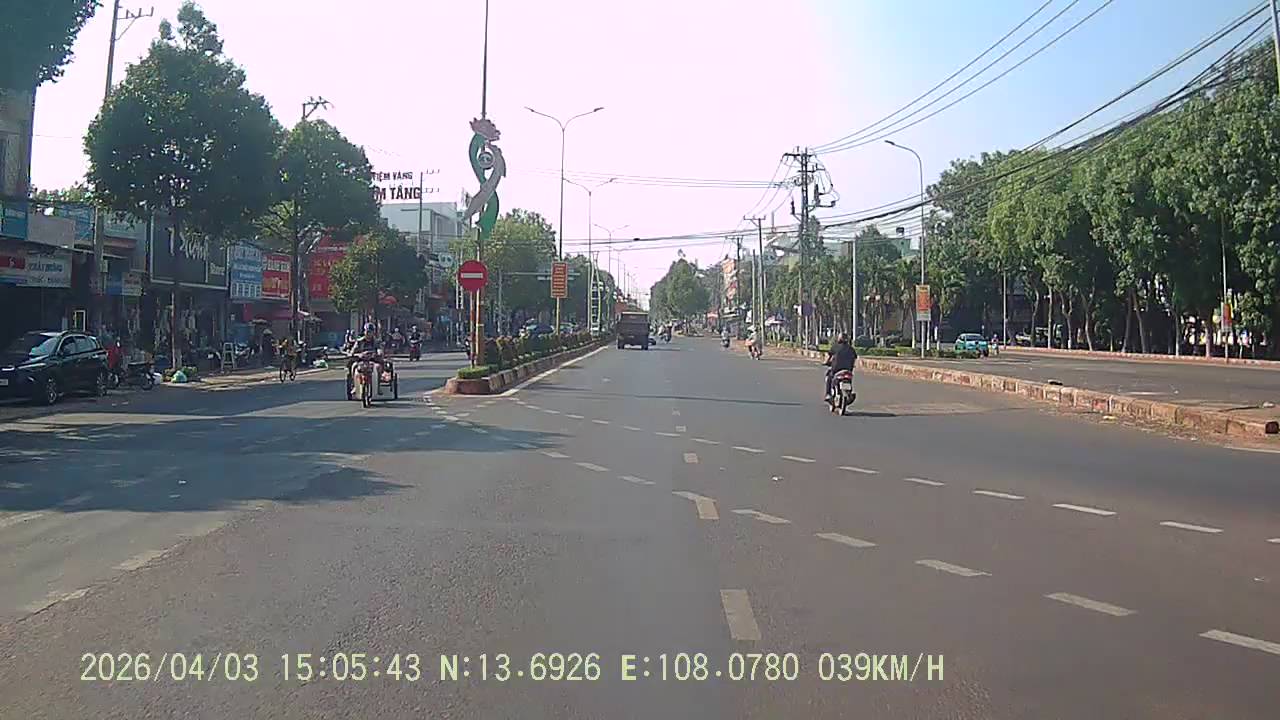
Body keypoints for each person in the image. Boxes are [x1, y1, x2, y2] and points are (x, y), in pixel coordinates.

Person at [824, 333, 857, 402]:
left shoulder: (835, 347)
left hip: (836, 369)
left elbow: (829, 356)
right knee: (849, 379)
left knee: (829, 377)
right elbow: (854, 359)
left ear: (839, 339)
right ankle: (849, 392)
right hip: (848, 370)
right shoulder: (851, 349)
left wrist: (826, 362)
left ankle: (828, 394)